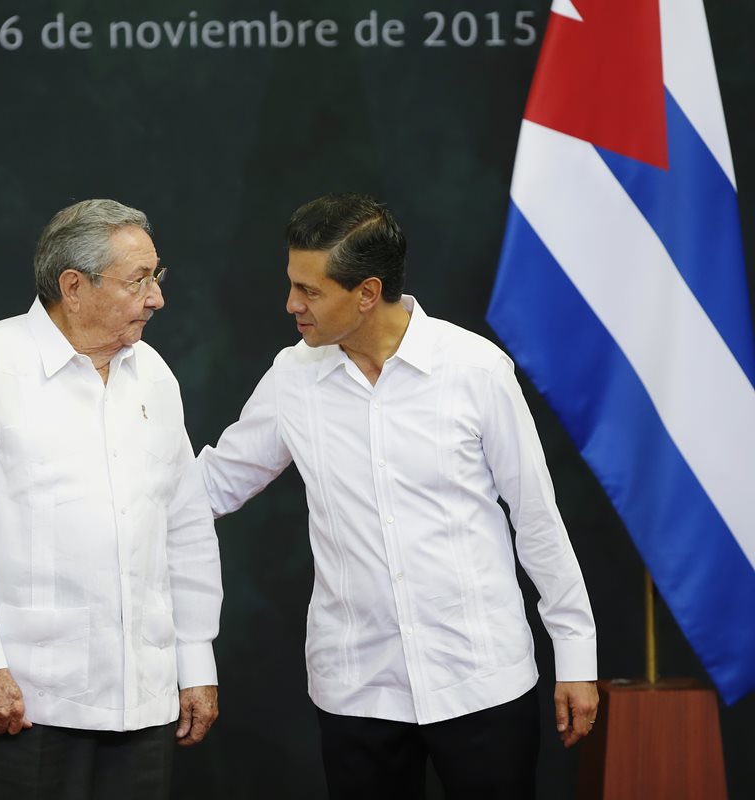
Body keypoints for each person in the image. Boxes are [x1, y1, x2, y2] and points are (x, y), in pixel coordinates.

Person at [198, 192, 598, 799]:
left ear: (366, 292)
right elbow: (214, 486)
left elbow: (536, 518)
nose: (291, 304)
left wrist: (575, 652)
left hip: (481, 677)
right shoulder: (292, 379)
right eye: (292, 284)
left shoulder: (475, 370)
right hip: (356, 687)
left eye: (310, 291)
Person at [0, 199, 222, 799]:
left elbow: (184, 526)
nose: (156, 297)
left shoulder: (154, 375)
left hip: (144, 698)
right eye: (139, 280)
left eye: (156, 277)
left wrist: (196, 662)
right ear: (73, 287)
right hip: (26, 697)